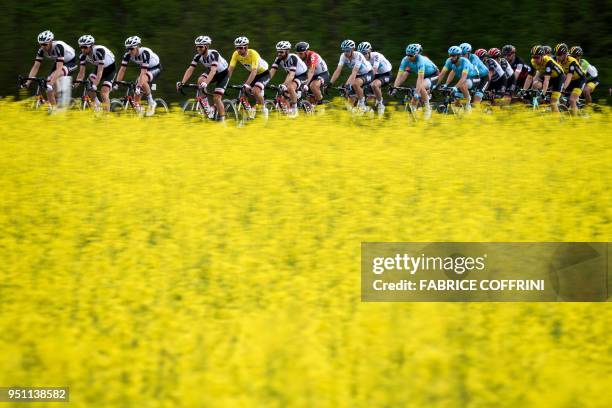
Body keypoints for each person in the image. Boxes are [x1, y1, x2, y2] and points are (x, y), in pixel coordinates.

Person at [177, 35, 229, 120]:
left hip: (222, 74)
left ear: (207, 46)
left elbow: (213, 71)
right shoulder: (198, 56)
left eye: (200, 46)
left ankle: (223, 121)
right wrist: (182, 82)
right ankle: (208, 108)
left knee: (216, 98)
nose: (198, 49)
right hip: (212, 71)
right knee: (200, 80)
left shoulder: (214, 54)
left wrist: (206, 83)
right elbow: (190, 69)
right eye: (197, 46)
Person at [23, 30, 77, 109]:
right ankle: (54, 107)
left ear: (51, 41)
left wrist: (51, 83)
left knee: (51, 80)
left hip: (70, 61)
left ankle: (59, 100)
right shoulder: (41, 50)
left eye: (45, 44)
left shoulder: (58, 47)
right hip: (59, 61)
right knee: (49, 84)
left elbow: (59, 69)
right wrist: (28, 82)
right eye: (41, 44)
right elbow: (36, 66)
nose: (42, 46)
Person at [115, 36, 162, 116]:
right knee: (137, 90)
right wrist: (117, 83)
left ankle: (152, 102)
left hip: (155, 68)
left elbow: (143, 72)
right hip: (145, 70)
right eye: (128, 49)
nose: (129, 51)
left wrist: (139, 86)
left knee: (141, 82)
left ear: (137, 47)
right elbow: (122, 69)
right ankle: (139, 110)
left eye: (131, 49)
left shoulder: (145, 53)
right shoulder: (127, 55)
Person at [226, 36, 270, 117]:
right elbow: (230, 69)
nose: (238, 50)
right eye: (237, 48)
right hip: (253, 74)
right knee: (243, 92)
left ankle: (264, 109)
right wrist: (225, 81)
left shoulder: (253, 53)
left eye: (240, 48)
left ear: (246, 47)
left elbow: (254, 71)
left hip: (263, 74)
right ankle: (249, 113)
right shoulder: (236, 54)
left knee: (255, 91)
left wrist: (247, 84)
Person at [392, 43, 439, 117]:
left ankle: (428, 108)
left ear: (417, 54)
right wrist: (395, 88)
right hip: (423, 77)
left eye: (411, 55)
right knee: (414, 95)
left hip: (434, 75)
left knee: (420, 88)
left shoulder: (420, 60)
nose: (409, 57)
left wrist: (416, 93)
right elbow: (400, 75)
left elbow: (420, 78)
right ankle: (412, 115)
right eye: (407, 55)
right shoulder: (405, 60)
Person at [74, 35, 116, 111]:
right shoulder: (82, 56)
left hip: (110, 69)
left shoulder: (99, 51)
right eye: (81, 47)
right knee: (88, 84)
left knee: (103, 93)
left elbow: (100, 72)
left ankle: (106, 117)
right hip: (99, 68)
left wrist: (95, 86)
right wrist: (76, 83)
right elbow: (81, 73)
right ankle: (98, 105)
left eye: (85, 47)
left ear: (91, 46)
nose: (83, 50)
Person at [329, 39, 373, 111]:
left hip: (368, 73)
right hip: (358, 75)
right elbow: (338, 70)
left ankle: (362, 103)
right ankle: (352, 111)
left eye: (347, 50)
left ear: (353, 49)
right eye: (344, 50)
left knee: (355, 84)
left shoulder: (358, 55)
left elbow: (354, 71)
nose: (345, 53)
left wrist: (349, 85)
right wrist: (330, 83)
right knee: (346, 91)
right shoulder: (343, 56)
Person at [269, 41, 309, 116]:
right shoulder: (278, 58)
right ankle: (287, 114)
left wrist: (284, 84)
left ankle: (295, 109)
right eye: (278, 52)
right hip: (291, 75)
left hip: (302, 75)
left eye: (281, 52)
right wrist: (265, 81)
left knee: (290, 87)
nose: (279, 54)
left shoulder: (293, 57)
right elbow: (272, 71)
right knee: (283, 96)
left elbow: (291, 74)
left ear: (287, 51)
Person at [436, 45, 479, 111]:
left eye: (453, 56)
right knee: (456, 101)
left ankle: (468, 103)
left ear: (458, 56)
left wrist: (455, 87)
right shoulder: (449, 61)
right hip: (465, 80)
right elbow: (442, 74)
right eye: (450, 55)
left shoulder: (465, 62)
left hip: (474, 78)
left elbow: (463, 78)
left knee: (462, 85)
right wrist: (443, 84)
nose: (451, 57)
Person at [522, 45, 565, 112]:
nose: (535, 59)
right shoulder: (533, 62)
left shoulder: (548, 62)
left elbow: (546, 80)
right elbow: (529, 78)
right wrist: (524, 91)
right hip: (548, 77)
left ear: (542, 56)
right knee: (535, 84)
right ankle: (534, 104)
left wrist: (543, 93)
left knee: (553, 102)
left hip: (558, 78)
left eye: (537, 57)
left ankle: (558, 120)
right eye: (533, 57)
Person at [357, 42, 393, 113]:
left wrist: (367, 82)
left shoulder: (376, 55)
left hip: (386, 74)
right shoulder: (360, 58)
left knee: (374, 84)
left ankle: (380, 103)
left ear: (370, 51)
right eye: (361, 54)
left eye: (365, 53)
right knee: (368, 95)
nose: (363, 56)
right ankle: (370, 110)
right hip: (375, 75)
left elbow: (374, 70)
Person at [554, 43, 585, 114]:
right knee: (559, 97)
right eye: (557, 54)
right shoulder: (558, 61)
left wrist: (563, 88)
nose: (558, 56)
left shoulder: (572, 61)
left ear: (565, 54)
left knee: (572, 100)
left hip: (579, 80)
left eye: (559, 54)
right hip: (571, 81)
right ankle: (566, 113)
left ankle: (575, 121)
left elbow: (569, 77)